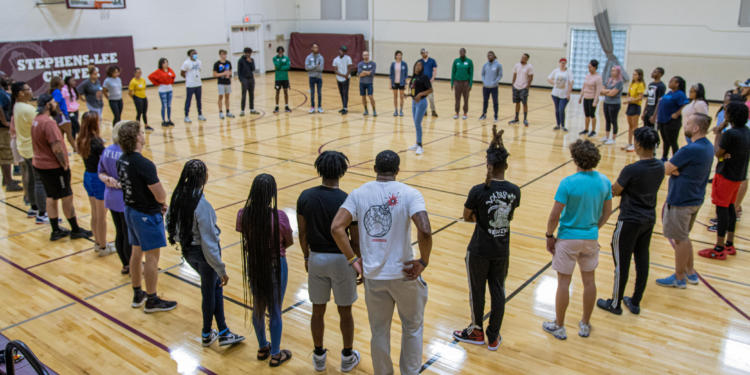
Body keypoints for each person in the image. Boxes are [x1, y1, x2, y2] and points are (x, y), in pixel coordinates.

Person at [331, 150, 432, 375]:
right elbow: (424, 230)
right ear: (398, 171)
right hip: (405, 275)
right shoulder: (410, 193)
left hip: (374, 278)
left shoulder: (359, 193)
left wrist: (353, 259)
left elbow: (336, 227)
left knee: (379, 332)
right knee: (412, 329)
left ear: (374, 169)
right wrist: (423, 261)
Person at [452, 126, 519, 351]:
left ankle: (476, 331)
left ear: (487, 165)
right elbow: (509, 216)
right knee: (498, 290)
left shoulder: (478, 190)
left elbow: (467, 217)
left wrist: (482, 219)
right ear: (506, 166)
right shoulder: (514, 190)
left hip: (479, 249)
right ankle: (493, 336)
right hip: (502, 250)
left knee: (477, 291)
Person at [166, 160, 245, 347]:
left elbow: (169, 222)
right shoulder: (202, 206)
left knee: (214, 286)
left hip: (188, 251)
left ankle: (224, 331)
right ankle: (207, 333)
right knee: (209, 290)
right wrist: (221, 268)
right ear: (203, 178)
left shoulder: (177, 197)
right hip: (203, 254)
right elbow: (209, 244)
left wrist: (180, 240)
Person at [297, 151, 362, 372]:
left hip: (316, 258)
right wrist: (356, 263)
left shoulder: (305, 196)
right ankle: (347, 357)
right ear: (342, 172)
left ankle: (318, 357)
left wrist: (306, 256)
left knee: (318, 310)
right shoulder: (348, 199)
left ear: (319, 170)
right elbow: (355, 239)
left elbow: (303, 234)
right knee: (345, 312)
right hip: (343, 261)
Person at [543, 139, 612, 340]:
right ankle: (585, 324)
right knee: (589, 282)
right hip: (590, 239)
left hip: (567, 239)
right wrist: (593, 230)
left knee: (564, 283)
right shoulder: (604, 181)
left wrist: (549, 236)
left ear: (575, 159)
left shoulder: (568, 183)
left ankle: (559, 326)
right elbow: (607, 212)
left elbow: (554, 215)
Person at [597, 127, 663, 315]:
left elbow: (615, 191)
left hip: (629, 221)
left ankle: (615, 303)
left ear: (639, 145)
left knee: (622, 263)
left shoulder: (632, 169)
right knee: (642, 260)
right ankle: (635, 301)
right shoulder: (659, 166)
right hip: (648, 220)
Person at [116, 120, 177, 312]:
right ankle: (152, 300)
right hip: (146, 215)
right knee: (152, 256)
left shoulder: (121, 160)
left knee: (136, 253)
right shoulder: (143, 163)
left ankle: (138, 293)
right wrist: (161, 203)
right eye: (141, 132)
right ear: (137, 138)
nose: (143, 135)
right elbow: (160, 194)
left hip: (131, 211)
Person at [237, 173, 294, 367]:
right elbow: (289, 242)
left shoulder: (243, 214)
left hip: (254, 264)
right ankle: (276, 354)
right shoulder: (279, 217)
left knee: (258, 306)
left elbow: (244, 234)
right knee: (275, 309)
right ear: (271, 194)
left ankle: (263, 346)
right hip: (275, 265)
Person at [655, 113, 714, 288]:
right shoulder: (707, 146)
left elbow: (665, 168)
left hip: (682, 200)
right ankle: (691, 272)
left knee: (680, 240)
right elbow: (673, 168)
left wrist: (672, 169)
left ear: (695, 128)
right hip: (696, 198)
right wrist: (675, 169)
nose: (685, 125)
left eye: (688, 123)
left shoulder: (690, 150)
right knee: (685, 237)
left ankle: (679, 278)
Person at [32, 94, 93, 241]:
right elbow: (57, 147)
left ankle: (56, 231)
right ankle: (75, 230)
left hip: (39, 164)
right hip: (53, 167)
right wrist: (64, 165)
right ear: (48, 105)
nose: (56, 105)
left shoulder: (36, 120)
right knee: (67, 196)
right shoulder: (49, 123)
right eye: (54, 103)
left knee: (51, 197)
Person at [699, 102, 750, 260]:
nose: (725, 114)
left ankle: (719, 248)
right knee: (730, 209)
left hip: (725, 176)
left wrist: (719, 132)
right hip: (738, 176)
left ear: (732, 115)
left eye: (727, 112)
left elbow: (717, 152)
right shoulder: (747, 131)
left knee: (722, 210)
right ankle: (729, 244)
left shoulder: (730, 133)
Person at [76, 111, 114, 255]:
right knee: (101, 216)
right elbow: (105, 161)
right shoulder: (97, 141)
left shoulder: (81, 139)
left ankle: (98, 243)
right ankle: (103, 247)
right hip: (98, 179)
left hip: (87, 176)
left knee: (95, 213)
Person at [98, 121, 132, 274]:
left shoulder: (107, 150)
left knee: (120, 231)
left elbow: (100, 172)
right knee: (128, 234)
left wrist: (107, 180)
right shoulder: (126, 153)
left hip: (110, 196)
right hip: (124, 198)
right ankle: (133, 266)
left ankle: (125, 264)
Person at [11, 82, 48, 222]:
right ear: (21, 92)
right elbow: (44, 124)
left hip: (24, 147)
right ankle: (42, 214)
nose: (31, 91)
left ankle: (34, 208)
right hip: (33, 149)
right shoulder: (27, 109)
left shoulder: (17, 105)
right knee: (39, 181)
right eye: (28, 89)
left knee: (32, 179)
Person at [655, 76, 690, 161]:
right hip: (663, 120)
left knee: (672, 142)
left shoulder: (680, 94)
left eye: (671, 81)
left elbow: (686, 104)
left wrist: (677, 113)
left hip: (672, 122)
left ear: (677, 84)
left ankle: (676, 159)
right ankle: (664, 157)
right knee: (665, 141)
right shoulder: (670, 92)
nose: (669, 83)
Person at [0, 77, 21, 192]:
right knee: (5, 155)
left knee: (7, 154)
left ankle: (6, 179)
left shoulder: (2, 91)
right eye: (3, 76)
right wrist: (4, 121)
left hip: (4, 128)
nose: (6, 78)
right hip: (2, 129)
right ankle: (9, 183)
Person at [407, 61, 432, 156]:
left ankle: (420, 147)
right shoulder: (414, 77)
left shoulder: (424, 77)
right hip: (414, 102)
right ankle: (417, 143)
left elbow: (430, 90)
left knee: (418, 124)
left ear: (422, 68)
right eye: (416, 65)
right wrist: (409, 95)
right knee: (416, 124)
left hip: (421, 102)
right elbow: (415, 90)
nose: (417, 66)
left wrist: (420, 94)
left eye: (420, 65)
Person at [48, 77, 76, 153]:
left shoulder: (56, 91)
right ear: (57, 82)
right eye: (60, 80)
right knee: (69, 135)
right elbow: (54, 102)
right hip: (63, 116)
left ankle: (62, 151)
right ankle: (76, 150)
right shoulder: (57, 92)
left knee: (60, 136)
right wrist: (59, 112)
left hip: (58, 117)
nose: (62, 81)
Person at [621, 69, 645, 151]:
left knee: (635, 126)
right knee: (630, 126)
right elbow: (628, 94)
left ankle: (636, 144)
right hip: (630, 105)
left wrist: (630, 100)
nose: (633, 76)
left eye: (635, 74)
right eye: (633, 74)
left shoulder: (641, 84)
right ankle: (629, 143)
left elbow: (640, 97)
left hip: (636, 106)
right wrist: (628, 98)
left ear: (639, 75)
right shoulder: (632, 83)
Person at [599, 66, 624, 145]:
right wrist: (608, 91)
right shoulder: (609, 80)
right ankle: (606, 136)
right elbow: (601, 90)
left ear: (618, 72)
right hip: (606, 102)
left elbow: (613, 93)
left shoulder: (619, 82)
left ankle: (613, 138)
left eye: (614, 71)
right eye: (611, 70)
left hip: (614, 104)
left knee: (613, 120)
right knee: (607, 120)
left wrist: (607, 91)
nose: (612, 72)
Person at [147, 58, 176, 127]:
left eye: (167, 62)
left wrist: (171, 81)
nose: (166, 64)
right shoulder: (158, 71)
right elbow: (150, 76)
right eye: (164, 62)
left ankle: (169, 119)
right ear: (161, 64)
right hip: (162, 89)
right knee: (164, 105)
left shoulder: (169, 70)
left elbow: (173, 76)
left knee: (169, 105)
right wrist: (157, 83)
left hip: (169, 88)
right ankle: (163, 121)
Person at [547, 58, 573, 131]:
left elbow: (571, 82)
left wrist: (569, 93)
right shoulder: (556, 71)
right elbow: (549, 78)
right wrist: (554, 83)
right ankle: (558, 124)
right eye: (562, 63)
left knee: (561, 109)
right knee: (557, 110)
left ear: (566, 64)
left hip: (564, 95)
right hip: (555, 94)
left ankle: (563, 125)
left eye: (564, 63)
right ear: (559, 63)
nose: (563, 64)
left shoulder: (569, 71)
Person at [579, 60, 603, 137]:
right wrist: (581, 97)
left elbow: (598, 91)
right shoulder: (587, 75)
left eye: (590, 67)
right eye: (588, 67)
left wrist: (595, 101)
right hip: (586, 97)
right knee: (586, 114)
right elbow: (584, 87)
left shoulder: (598, 77)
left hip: (592, 98)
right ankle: (586, 129)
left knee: (592, 115)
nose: (589, 68)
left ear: (595, 67)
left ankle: (593, 130)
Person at [181, 49, 206, 123]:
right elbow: (182, 73)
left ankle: (200, 114)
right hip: (190, 85)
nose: (195, 54)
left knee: (199, 100)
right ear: (189, 55)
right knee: (188, 100)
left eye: (196, 53)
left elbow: (199, 70)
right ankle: (186, 116)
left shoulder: (199, 62)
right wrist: (189, 78)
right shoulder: (186, 63)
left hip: (198, 84)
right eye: (193, 53)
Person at [509, 53, 534, 126]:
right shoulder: (517, 65)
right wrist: (513, 84)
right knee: (517, 103)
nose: (522, 59)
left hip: (524, 87)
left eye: (524, 58)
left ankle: (525, 119)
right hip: (516, 87)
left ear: (527, 59)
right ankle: (516, 118)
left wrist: (527, 86)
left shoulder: (529, 67)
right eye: (522, 57)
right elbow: (514, 75)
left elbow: (531, 77)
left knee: (524, 103)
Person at [451, 48, 473, 120]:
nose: (461, 53)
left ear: (465, 52)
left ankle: (465, 113)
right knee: (457, 98)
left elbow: (471, 73)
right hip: (457, 82)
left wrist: (470, 84)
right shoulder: (456, 61)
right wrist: (452, 83)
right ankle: (457, 112)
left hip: (466, 82)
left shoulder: (469, 61)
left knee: (466, 98)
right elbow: (453, 72)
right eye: (460, 52)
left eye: (463, 52)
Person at [480, 52, 503, 122]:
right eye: (487, 56)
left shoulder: (498, 65)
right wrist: (484, 81)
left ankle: (496, 115)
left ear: (493, 56)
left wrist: (495, 81)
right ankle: (484, 114)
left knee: (495, 102)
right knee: (485, 101)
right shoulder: (485, 65)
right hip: (485, 87)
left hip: (494, 87)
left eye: (490, 55)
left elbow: (500, 75)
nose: (488, 57)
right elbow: (482, 74)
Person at [212, 50, 234, 120]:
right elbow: (214, 74)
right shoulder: (216, 64)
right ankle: (221, 112)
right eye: (223, 54)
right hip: (221, 82)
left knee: (227, 97)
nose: (225, 56)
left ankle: (228, 111)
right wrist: (223, 74)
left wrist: (228, 74)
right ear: (220, 55)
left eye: (225, 54)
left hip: (227, 82)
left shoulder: (228, 63)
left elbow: (230, 71)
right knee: (220, 97)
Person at [238, 47, 259, 117]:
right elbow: (239, 71)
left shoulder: (252, 60)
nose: (249, 55)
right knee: (244, 95)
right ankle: (242, 110)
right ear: (245, 53)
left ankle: (252, 109)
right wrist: (241, 79)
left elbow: (253, 69)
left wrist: (250, 63)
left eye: (250, 53)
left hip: (251, 78)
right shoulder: (241, 60)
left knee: (251, 95)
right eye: (248, 53)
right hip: (244, 79)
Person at [333, 46, 353, 115]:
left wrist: (346, 75)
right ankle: (343, 106)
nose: (343, 52)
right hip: (339, 78)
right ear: (339, 50)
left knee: (345, 93)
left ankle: (345, 108)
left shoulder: (348, 58)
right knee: (341, 93)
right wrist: (342, 75)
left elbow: (349, 68)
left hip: (346, 79)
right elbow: (335, 70)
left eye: (344, 51)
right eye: (342, 50)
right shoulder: (336, 59)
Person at [418, 48, 438, 117]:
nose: (423, 54)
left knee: (431, 98)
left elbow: (435, 71)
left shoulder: (432, 61)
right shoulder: (419, 61)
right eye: (422, 53)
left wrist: (432, 79)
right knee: (423, 98)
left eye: (424, 52)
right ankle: (424, 111)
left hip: (429, 82)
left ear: (427, 52)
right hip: (421, 82)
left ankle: (433, 111)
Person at [306, 43, 324, 114]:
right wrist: (315, 66)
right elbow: (307, 67)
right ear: (312, 48)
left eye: (316, 47)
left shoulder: (321, 58)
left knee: (319, 92)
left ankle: (319, 107)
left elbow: (321, 68)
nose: (315, 49)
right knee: (312, 93)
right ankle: (312, 107)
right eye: (314, 47)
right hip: (311, 77)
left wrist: (312, 68)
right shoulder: (308, 57)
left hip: (319, 77)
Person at [272, 46, 291, 114]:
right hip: (278, 78)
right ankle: (277, 106)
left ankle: (286, 106)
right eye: (279, 51)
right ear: (277, 52)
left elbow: (287, 67)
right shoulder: (275, 58)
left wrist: (280, 68)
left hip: (285, 78)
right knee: (277, 92)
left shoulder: (286, 58)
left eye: (281, 51)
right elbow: (277, 66)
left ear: (283, 51)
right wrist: (280, 60)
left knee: (286, 92)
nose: (280, 53)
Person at [358, 51, 377, 117]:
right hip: (362, 83)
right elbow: (359, 74)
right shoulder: (360, 64)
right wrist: (368, 72)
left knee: (370, 96)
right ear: (362, 56)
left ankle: (374, 110)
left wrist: (364, 71)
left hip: (369, 83)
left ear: (368, 55)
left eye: (366, 55)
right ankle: (366, 110)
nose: (365, 56)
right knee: (363, 96)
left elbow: (372, 73)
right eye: (364, 55)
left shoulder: (373, 63)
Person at [390, 50, 408, 117]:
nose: (399, 56)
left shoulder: (404, 64)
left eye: (400, 55)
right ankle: (395, 110)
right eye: (397, 55)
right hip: (394, 83)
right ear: (395, 56)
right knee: (395, 97)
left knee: (401, 97)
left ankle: (401, 110)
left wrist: (406, 84)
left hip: (402, 83)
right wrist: (390, 84)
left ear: (401, 56)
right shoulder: (393, 64)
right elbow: (391, 75)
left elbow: (406, 75)